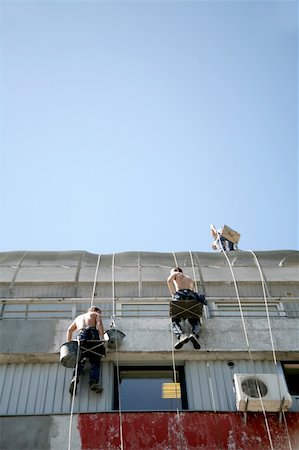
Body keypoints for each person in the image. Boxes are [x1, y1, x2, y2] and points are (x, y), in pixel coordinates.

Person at [66, 306, 105, 395]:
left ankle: (75, 377)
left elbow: (69, 330)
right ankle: (93, 382)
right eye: (99, 312)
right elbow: (99, 324)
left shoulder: (78, 318)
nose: (100, 314)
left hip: (80, 337)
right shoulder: (95, 314)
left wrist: (69, 344)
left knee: (79, 359)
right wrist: (102, 337)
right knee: (95, 359)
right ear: (95, 310)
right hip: (91, 334)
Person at [167, 267, 206, 350]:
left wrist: (174, 294)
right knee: (195, 319)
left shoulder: (176, 274)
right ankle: (194, 335)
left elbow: (169, 281)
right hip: (192, 297)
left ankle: (181, 336)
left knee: (174, 320)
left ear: (176, 270)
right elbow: (194, 291)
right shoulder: (189, 278)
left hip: (181, 296)